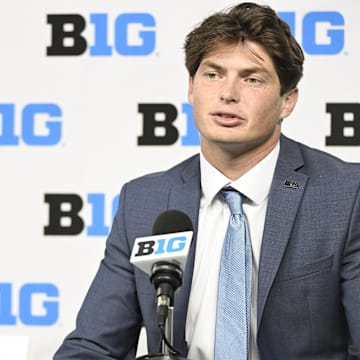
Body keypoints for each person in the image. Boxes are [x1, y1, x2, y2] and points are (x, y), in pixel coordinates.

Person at [54, 2, 360, 359]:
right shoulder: (145, 201)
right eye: (212, 75)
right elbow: (92, 346)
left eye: (252, 79)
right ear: (191, 88)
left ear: (287, 101)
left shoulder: (345, 196)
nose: (228, 93)